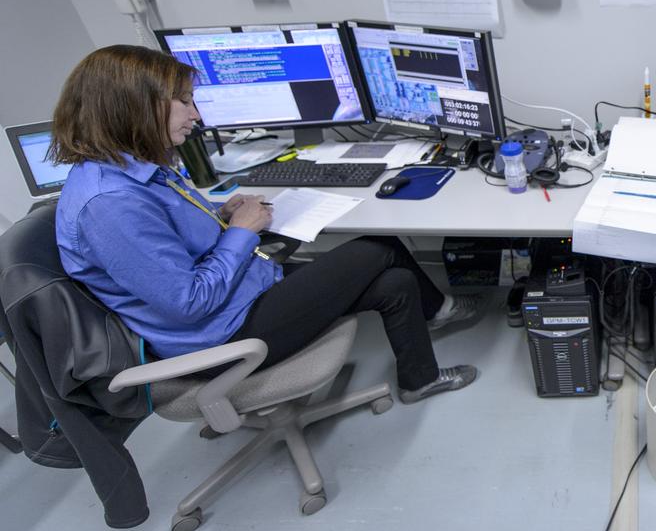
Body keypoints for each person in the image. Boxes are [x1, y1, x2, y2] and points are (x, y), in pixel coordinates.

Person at [51, 45, 478, 403]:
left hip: (241, 294)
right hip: (223, 337)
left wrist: (219, 216)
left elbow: (166, 238)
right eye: (183, 102)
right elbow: (187, 303)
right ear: (134, 108)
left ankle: (419, 380)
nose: (195, 114)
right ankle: (440, 311)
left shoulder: (133, 168)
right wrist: (241, 231)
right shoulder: (109, 205)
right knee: (377, 248)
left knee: (395, 282)